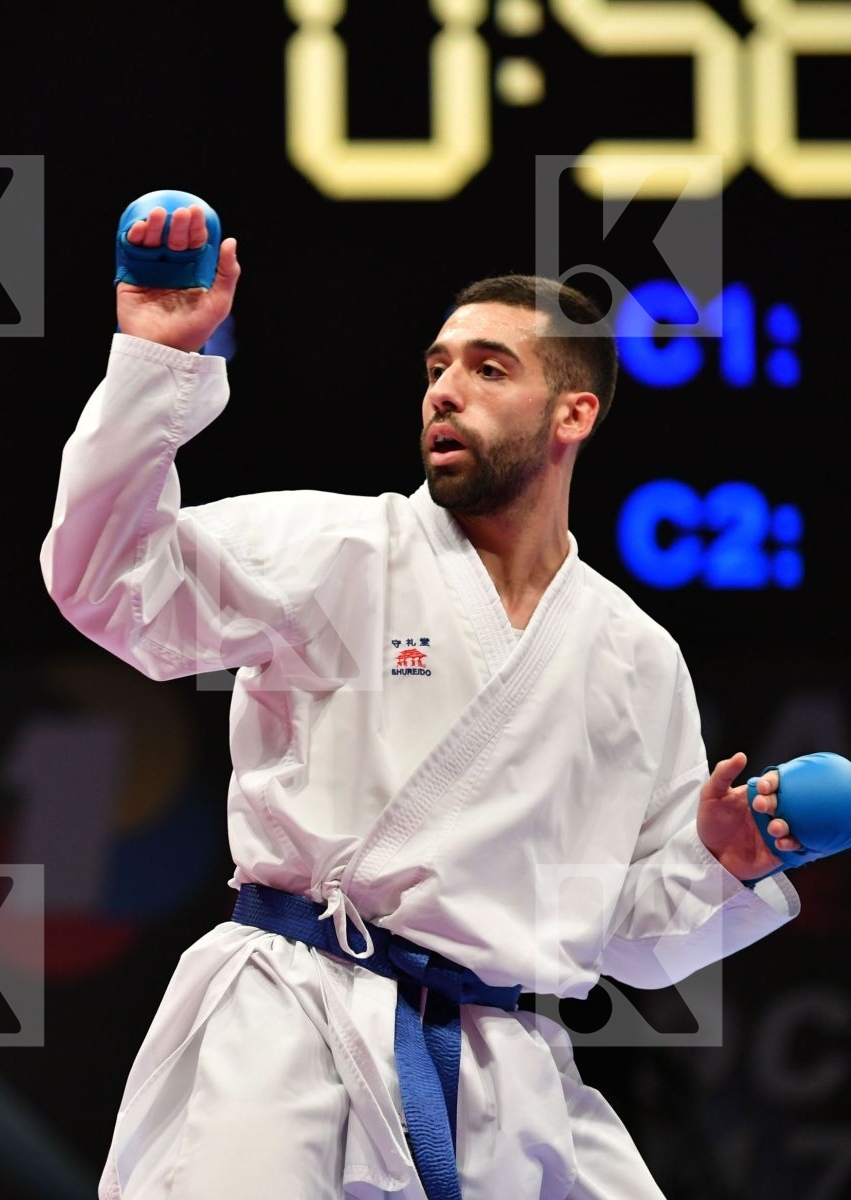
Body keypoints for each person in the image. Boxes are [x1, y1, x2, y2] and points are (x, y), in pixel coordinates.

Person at [41, 205, 812, 1199]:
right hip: (293, 1026)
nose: (447, 391)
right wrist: (153, 364)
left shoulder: (633, 657)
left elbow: (628, 934)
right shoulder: (338, 550)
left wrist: (726, 867)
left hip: (508, 1070)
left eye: (489, 369)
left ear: (574, 413)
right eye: (437, 368)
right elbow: (109, 580)